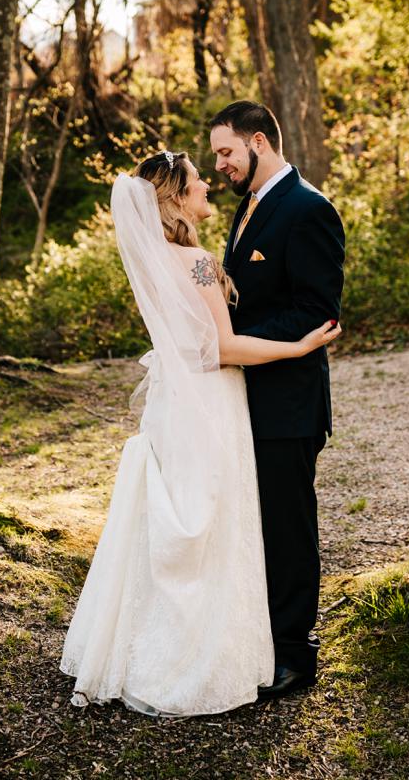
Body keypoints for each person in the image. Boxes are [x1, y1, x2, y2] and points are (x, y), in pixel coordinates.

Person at [58, 148, 341, 717]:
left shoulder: (153, 258)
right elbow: (225, 347)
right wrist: (300, 345)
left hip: (173, 406)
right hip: (211, 401)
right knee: (216, 522)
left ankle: (151, 646)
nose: (210, 185)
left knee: (181, 521)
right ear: (178, 198)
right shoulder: (198, 262)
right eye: (197, 182)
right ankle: (207, 652)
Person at [210, 100, 346, 698]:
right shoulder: (250, 206)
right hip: (248, 397)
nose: (219, 165)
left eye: (225, 152)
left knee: (289, 528)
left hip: (289, 403)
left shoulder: (309, 210)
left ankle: (295, 653)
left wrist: (233, 342)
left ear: (259, 141)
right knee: (256, 525)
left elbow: (316, 313)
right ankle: (259, 639)